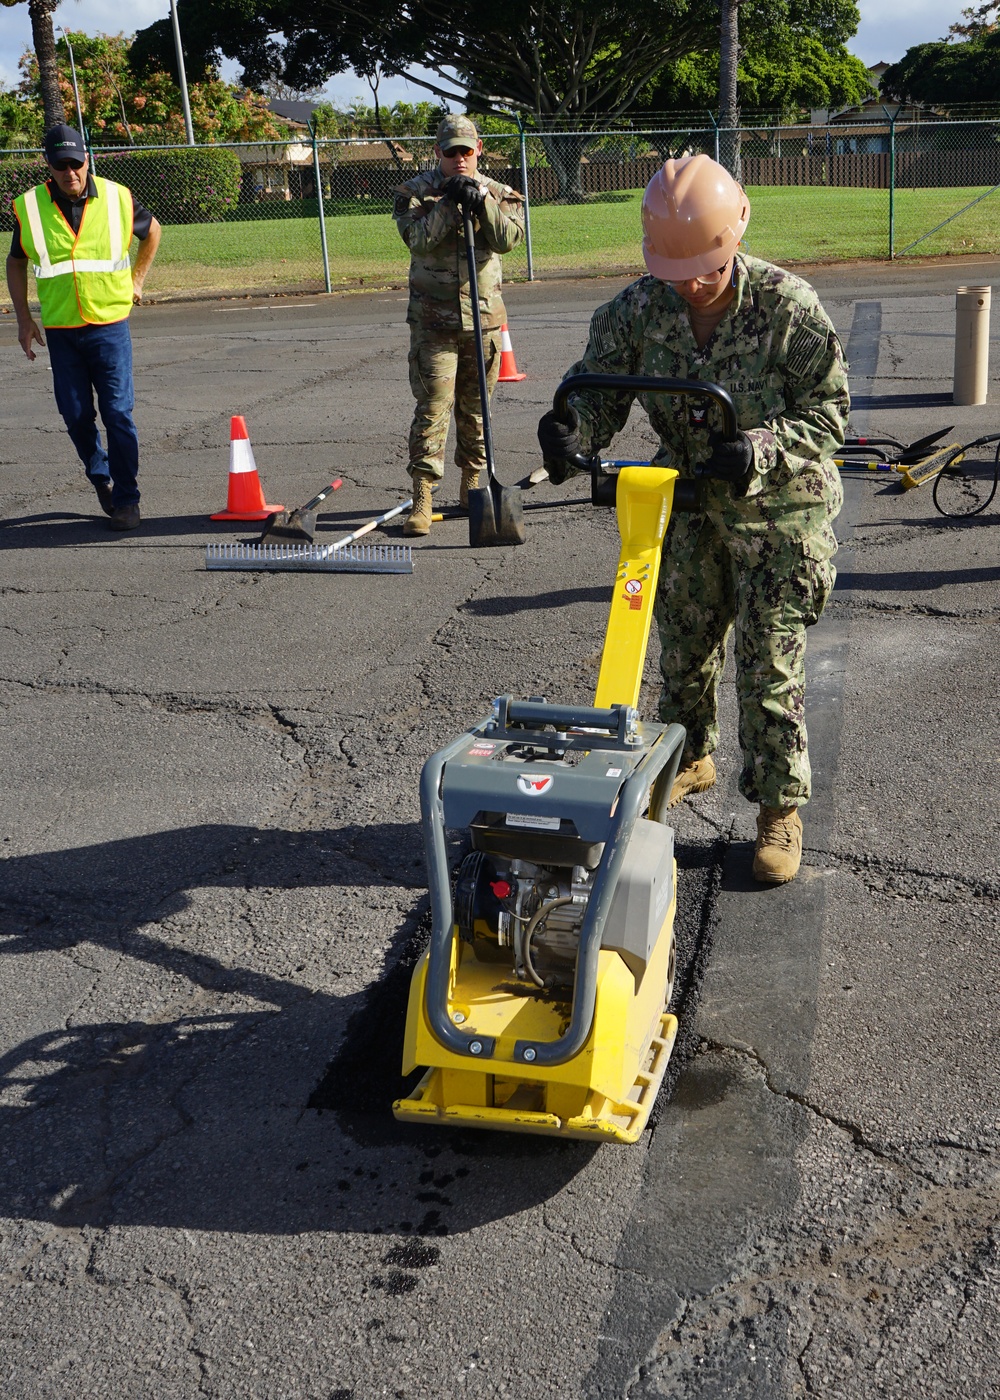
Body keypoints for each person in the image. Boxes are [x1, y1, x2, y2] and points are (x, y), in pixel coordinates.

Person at [537, 154, 849, 885]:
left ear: (735, 234)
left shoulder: (787, 306)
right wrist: (572, 432)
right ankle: (690, 758)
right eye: (678, 271)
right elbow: (599, 399)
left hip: (780, 509)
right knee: (681, 644)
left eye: (706, 268)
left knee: (769, 664)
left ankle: (778, 808)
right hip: (688, 503)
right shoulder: (635, 310)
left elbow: (830, 413)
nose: (692, 283)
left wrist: (762, 446)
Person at [6, 124, 161, 532]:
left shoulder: (117, 198)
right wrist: (24, 318)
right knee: (75, 416)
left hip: (109, 326)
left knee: (117, 414)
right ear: (49, 167)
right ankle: (102, 479)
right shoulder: (30, 207)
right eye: (62, 166)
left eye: (76, 163)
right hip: (61, 330)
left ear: (87, 160)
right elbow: (17, 260)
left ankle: (127, 500)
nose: (70, 173)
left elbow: (153, 231)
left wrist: (138, 280)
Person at [393, 114, 525, 536]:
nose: (459, 159)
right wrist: (450, 203)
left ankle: (473, 486)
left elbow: (508, 239)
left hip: (483, 323)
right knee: (433, 409)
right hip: (434, 324)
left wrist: (481, 200)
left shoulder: (502, 193)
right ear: (438, 152)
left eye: (466, 151)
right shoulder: (413, 194)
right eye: (450, 152)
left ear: (479, 149)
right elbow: (418, 240)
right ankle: (423, 496)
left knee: (477, 411)